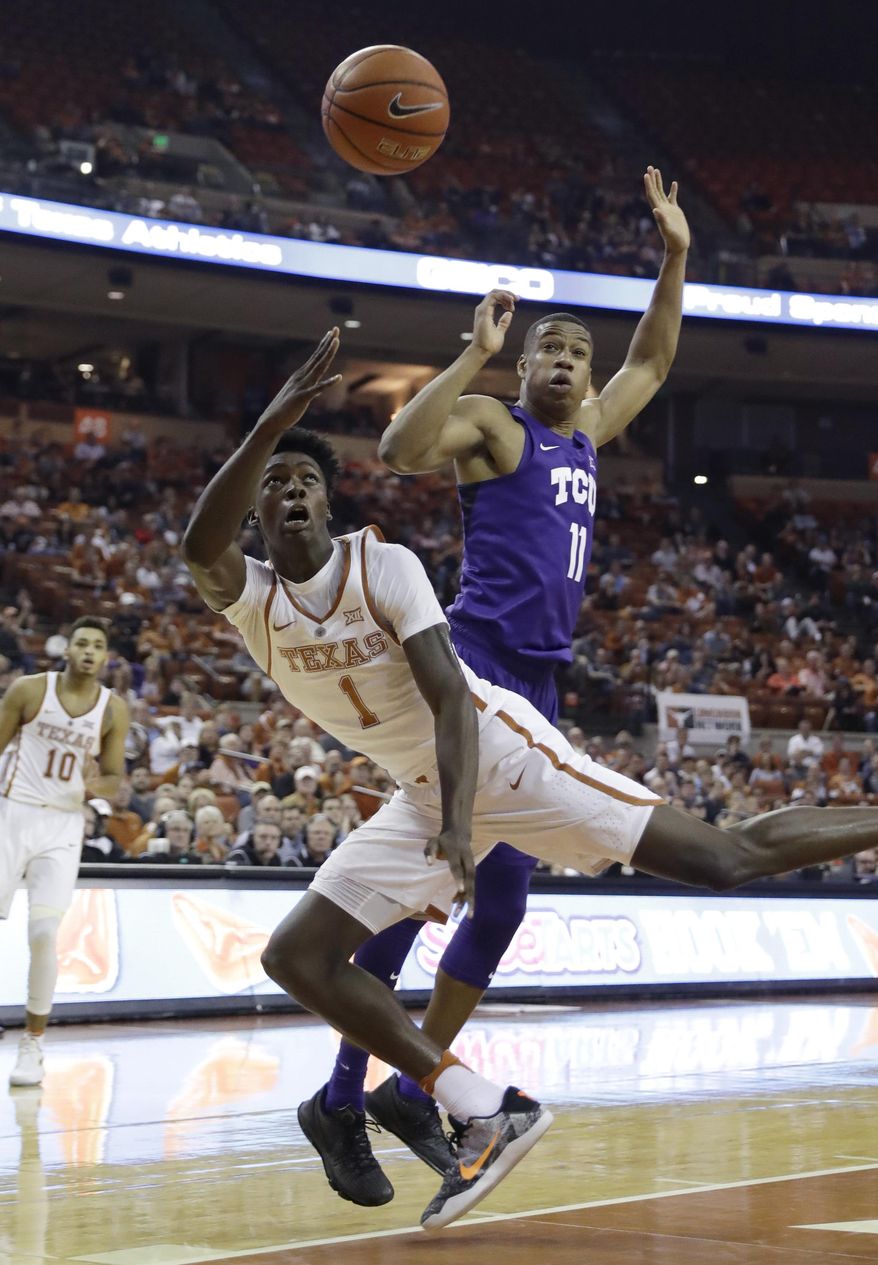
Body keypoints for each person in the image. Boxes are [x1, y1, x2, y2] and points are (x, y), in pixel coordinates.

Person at [182, 338, 874, 1229]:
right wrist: (275, 423)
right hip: (422, 790)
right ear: (257, 514)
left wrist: (463, 825)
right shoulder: (249, 597)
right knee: (296, 956)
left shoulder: (381, 563)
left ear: (329, 501)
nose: (290, 492)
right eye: (272, 484)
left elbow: (453, 701)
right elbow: (200, 542)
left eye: (306, 480)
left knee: (723, 856)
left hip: (503, 751)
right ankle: (481, 1106)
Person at [317, 163, 692, 1201]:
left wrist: (673, 254)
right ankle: (347, 1089)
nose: (567, 362)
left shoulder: (583, 435)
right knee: (424, 887)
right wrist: (470, 356)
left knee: (501, 904)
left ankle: (404, 1080)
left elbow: (654, 357)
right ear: (526, 363)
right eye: (550, 351)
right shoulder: (495, 423)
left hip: (541, 683)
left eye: (577, 351)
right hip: (473, 668)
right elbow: (396, 447)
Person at [0, 617, 129, 1086]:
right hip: (11, 812)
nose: (90, 651)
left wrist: (100, 783)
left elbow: (114, 778)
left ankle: (32, 1045)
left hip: (63, 824)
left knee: (42, 933)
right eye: (82, 643)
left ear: (106, 655)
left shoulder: (114, 710)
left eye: (98, 645)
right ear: (67, 649)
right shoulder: (30, 691)